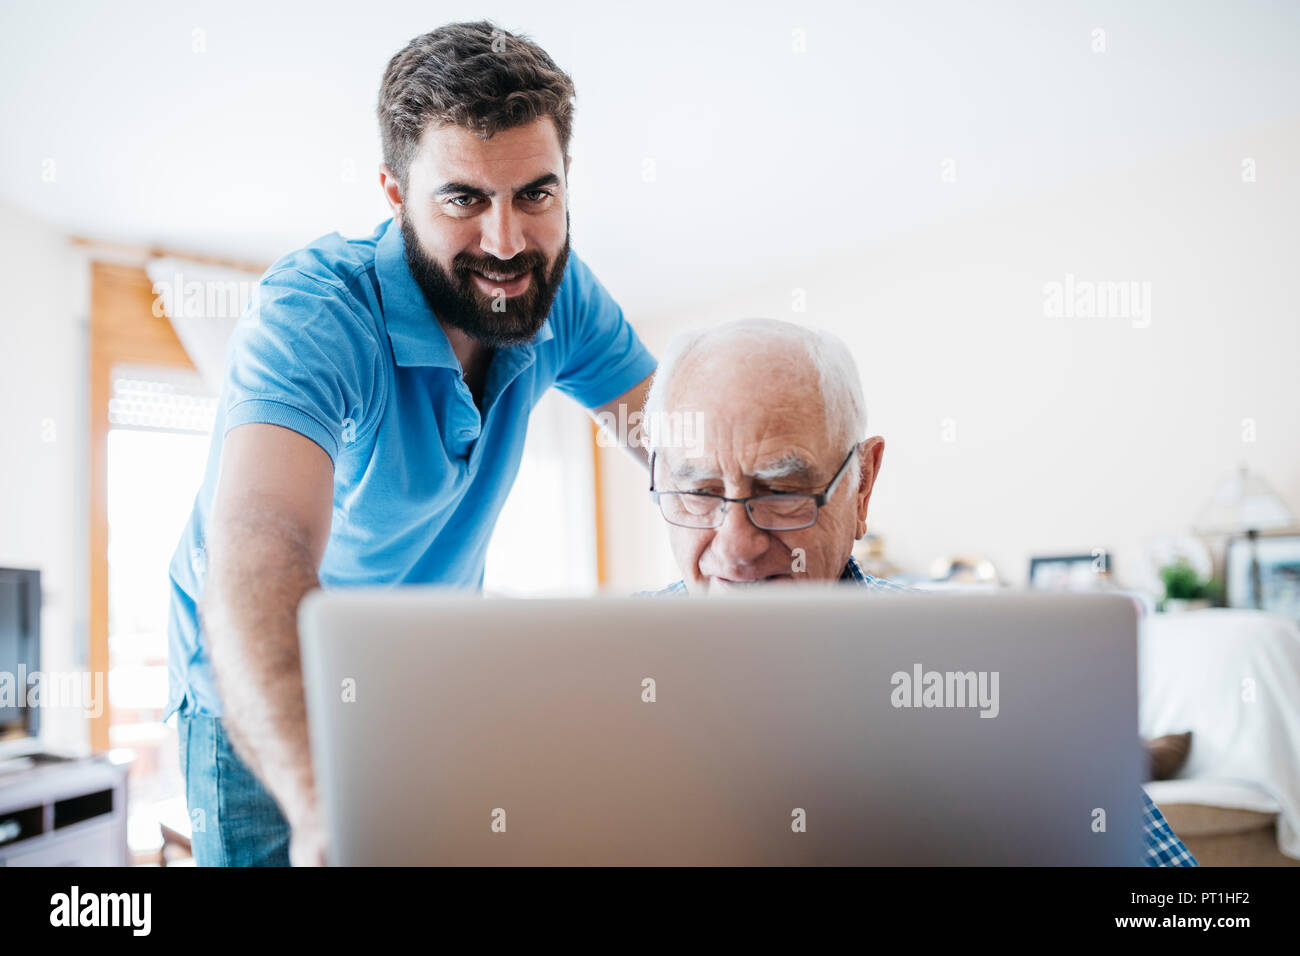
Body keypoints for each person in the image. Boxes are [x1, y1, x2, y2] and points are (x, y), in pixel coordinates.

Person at [168, 22, 656, 866]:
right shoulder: (316, 313)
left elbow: (681, 450)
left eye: (535, 195)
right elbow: (259, 541)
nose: (507, 243)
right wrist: (319, 804)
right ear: (396, 196)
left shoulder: (563, 293)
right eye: (464, 199)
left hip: (415, 673)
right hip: (256, 681)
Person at [639, 317, 1196, 866]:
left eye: (781, 491)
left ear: (862, 484)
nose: (736, 547)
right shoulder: (614, 676)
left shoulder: (990, 672)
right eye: (698, 491)